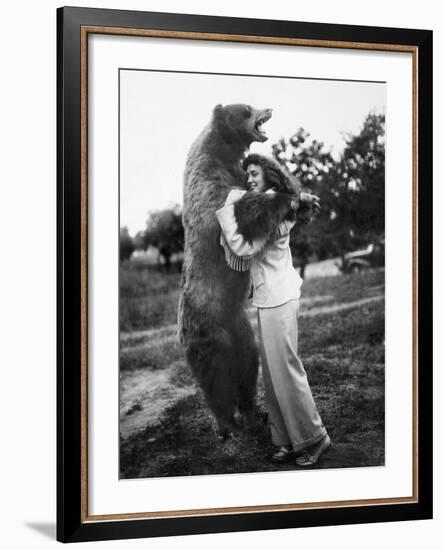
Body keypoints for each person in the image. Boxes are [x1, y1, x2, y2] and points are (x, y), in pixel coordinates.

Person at [215, 154, 330, 467]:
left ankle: (314, 437)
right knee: (273, 374)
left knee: (287, 371)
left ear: (269, 175)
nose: (249, 179)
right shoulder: (268, 205)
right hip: (268, 298)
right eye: (247, 174)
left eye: (254, 173)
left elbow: (243, 247)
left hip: (279, 296)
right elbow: (250, 205)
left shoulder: (274, 206)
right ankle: (286, 439)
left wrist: (230, 210)